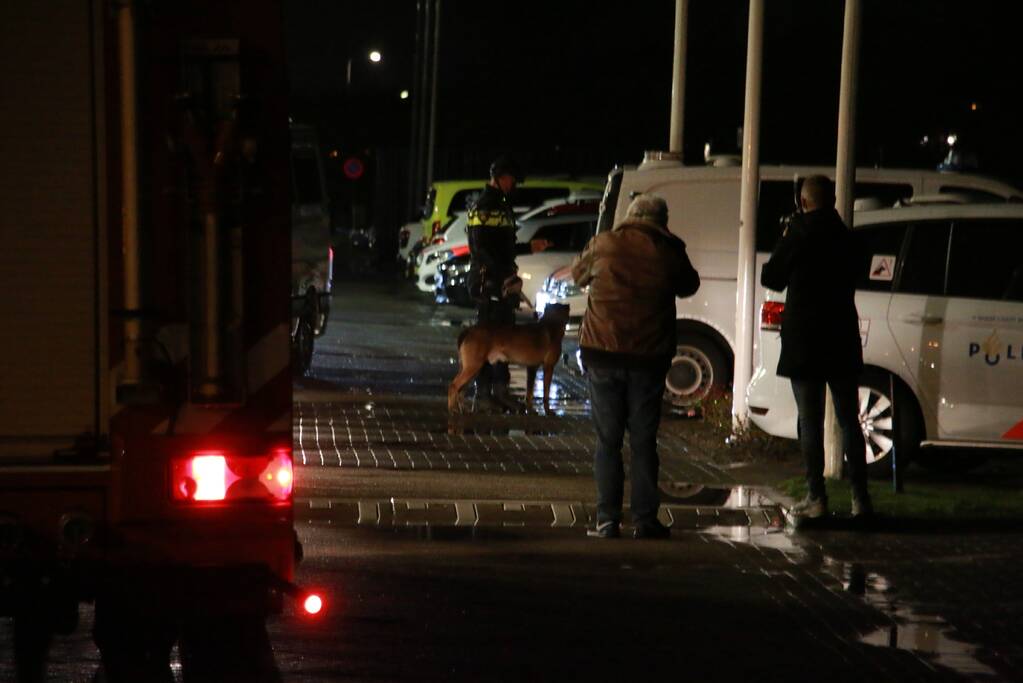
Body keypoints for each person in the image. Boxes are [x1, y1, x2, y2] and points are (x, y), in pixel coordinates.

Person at [572, 194, 700, 539]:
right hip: (648, 357)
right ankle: (645, 521)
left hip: (602, 352)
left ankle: (606, 520)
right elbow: (690, 284)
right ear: (661, 221)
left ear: (629, 216)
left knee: (607, 440)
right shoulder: (668, 250)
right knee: (644, 441)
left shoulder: (603, 244)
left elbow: (577, 275)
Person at [760, 174, 873, 523]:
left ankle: (816, 498)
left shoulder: (798, 234)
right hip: (841, 336)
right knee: (849, 421)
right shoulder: (847, 237)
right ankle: (861, 499)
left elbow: (772, 278)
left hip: (805, 339)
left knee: (809, 420)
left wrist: (788, 237)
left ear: (803, 202)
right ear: (834, 201)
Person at [466, 155, 524, 413]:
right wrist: (501, 276)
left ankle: (501, 391)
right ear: (501, 178)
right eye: (512, 180)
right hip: (488, 281)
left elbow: (503, 245)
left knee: (504, 337)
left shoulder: (500, 203)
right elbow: (481, 248)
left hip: (500, 279)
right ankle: (483, 393)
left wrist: (526, 248)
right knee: (487, 337)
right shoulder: (485, 205)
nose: (514, 185)